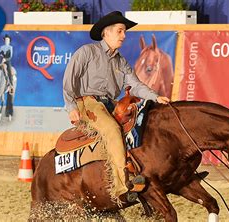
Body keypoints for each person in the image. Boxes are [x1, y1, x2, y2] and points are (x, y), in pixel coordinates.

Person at [63, 11, 170, 203]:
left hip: (110, 104)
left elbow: (136, 85)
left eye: (124, 32)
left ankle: (137, 170)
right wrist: (71, 107)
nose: (124, 36)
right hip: (88, 103)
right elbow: (69, 80)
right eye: (120, 31)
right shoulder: (87, 52)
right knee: (112, 129)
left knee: (138, 124)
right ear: (107, 33)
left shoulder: (121, 62)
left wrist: (156, 97)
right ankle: (122, 187)